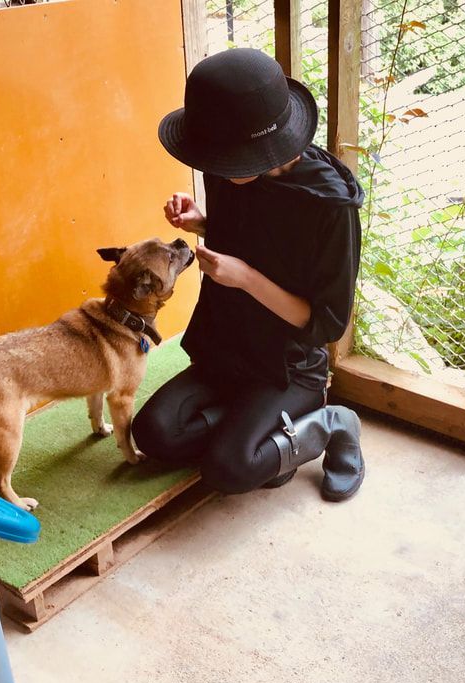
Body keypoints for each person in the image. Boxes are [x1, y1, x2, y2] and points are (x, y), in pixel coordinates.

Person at [131, 48, 365, 501]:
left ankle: (333, 422)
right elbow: (249, 236)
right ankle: (261, 435)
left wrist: (245, 278)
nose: (215, 167)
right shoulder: (231, 170)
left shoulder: (330, 207)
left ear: (262, 147)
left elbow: (326, 322)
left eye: (226, 157)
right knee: (154, 434)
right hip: (228, 349)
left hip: (288, 366)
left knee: (229, 470)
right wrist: (202, 223)